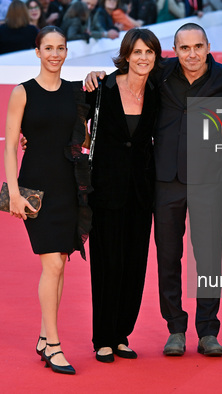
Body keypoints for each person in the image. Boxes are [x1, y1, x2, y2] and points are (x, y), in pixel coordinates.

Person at [85, 23, 222, 357]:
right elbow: (128, 74)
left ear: (208, 46)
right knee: (168, 258)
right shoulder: (161, 72)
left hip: (208, 180)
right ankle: (176, 329)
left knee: (208, 258)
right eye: (184, 48)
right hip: (165, 181)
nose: (192, 54)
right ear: (175, 50)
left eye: (198, 47)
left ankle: (208, 331)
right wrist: (96, 75)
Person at [4, 25, 91, 375]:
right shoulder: (22, 92)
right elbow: (11, 144)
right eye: (48, 48)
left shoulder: (75, 92)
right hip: (35, 188)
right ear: (37, 52)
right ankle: (54, 345)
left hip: (69, 185)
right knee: (51, 264)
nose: (55, 54)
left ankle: (44, 336)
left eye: (61, 48)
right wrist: (13, 191)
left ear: (67, 51)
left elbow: (85, 134)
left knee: (59, 263)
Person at [86, 28, 162, 363]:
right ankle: (102, 336)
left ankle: (121, 335)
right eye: (137, 52)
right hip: (105, 190)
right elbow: (69, 121)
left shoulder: (158, 92)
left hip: (142, 193)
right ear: (126, 56)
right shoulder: (100, 88)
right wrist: (30, 138)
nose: (143, 58)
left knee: (134, 264)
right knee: (107, 264)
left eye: (149, 52)